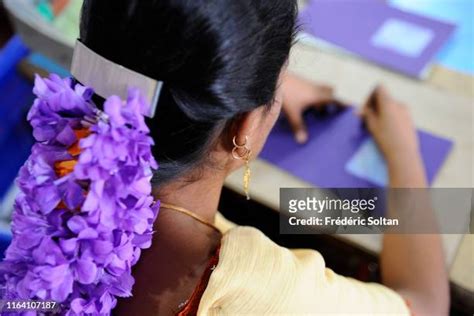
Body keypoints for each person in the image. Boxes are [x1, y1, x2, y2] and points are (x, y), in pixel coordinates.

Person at [13, 0, 450, 314]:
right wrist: (403, 151)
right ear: (244, 128)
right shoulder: (247, 282)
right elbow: (425, 305)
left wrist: (251, 92)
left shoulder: (59, 177)